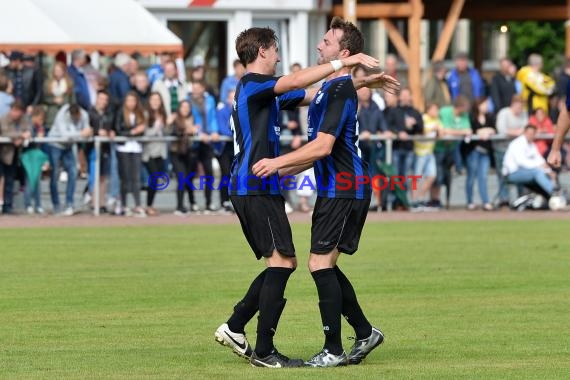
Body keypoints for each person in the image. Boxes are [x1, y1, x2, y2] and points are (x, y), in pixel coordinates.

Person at [213, 24, 381, 369]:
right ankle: (261, 347)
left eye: (326, 42)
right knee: (286, 263)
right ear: (262, 51)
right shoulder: (253, 84)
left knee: (296, 263)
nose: (279, 56)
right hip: (255, 185)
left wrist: (357, 81)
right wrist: (343, 67)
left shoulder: (264, 91)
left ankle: (238, 329)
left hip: (265, 184)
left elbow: (314, 94)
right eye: (275, 49)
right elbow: (297, 84)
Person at [251, 17, 399, 367]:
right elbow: (315, 154)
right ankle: (364, 332)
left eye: (327, 42)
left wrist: (275, 163)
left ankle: (333, 349)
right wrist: (279, 170)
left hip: (344, 187)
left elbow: (322, 148)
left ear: (344, 52)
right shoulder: (331, 89)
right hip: (341, 186)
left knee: (319, 263)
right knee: (325, 263)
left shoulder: (337, 90)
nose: (320, 46)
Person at [47, 103, 91, 215]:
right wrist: (81, 133)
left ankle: (69, 204)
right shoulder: (62, 115)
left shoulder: (84, 115)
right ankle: (56, 205)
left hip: (69, 146)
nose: (77, 119)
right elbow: (65, 135)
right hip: (55, 144)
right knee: (54, 175)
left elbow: (88, 130)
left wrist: (82, 134)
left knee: (73, 172)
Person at [113, 91, 146, 217]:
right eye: (129, 101)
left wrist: (139, 131)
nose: (131, 104)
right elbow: (118, 129)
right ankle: (124, 205)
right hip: (123, 148)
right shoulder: (121, 113)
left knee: (136, 178)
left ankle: (138, 204)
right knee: (125, 178)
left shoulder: (139, 114)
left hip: (136, 147)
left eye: (133, 101)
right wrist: (132, 132)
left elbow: (142, 130)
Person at [503, 124, 555, 199]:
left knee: (546, 173)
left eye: (532, 134)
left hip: (525, 172)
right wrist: (540, 167)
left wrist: (549, 171)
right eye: (528, 133)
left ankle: (549, 197)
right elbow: (521, 162)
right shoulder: (517, 143)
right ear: (524, 133)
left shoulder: (532, 145)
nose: (530, 135)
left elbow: (540, 160)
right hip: (511, 174)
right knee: (537, 172)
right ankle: (554, 194)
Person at [0, 101, 31, 214]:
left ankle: (7, 206)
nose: (15, 113)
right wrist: (20, 136)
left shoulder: (24, 119)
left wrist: (20, 138)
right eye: (14, 110)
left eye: (18, 111)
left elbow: (28, 131)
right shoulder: (3, 118)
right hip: (3, 152)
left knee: (10, 180)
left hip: (14, 155)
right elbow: (5, 132)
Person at [465, 98, 496, 210]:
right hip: (473, 150)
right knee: (471, 176)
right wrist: (481, 132)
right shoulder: (471, 117)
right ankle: (470, 201)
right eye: (484, 104)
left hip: (485, 152)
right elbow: (471, 131)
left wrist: (486, 131)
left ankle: (485, 201)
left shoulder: (490, 116)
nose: (486, 106)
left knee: (483, 176)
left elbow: (494, 129)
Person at [168, 100, 197, 215]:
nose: (185, 109)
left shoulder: (193, 119)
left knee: (189, 179)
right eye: (183, 106)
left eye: (187, 106)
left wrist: (194, 131)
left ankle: (192, 203)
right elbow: (172, 132)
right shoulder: (174, 119)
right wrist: (186, 130)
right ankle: (179, 206)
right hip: (177, 153)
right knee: (181, 178)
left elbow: (198, 130)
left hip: (190, 152)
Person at [411, 103, 441, 210]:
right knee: (416, 177)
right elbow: (419, 131)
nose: (436, 112)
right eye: (434, 109)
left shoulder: (436, 120)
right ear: (429, 109)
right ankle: (414, 201)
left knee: (432, 176)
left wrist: (438, 131)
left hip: (429, 152)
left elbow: (441, 133)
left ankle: (421, 199)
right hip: (420, 152)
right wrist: (432, 130)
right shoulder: (423, 118)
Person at [143, 92, 168, 216]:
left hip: (160, 152)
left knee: (156, 179)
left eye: (158, 99)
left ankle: (150, 205)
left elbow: (166, 133)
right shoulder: (146, 114)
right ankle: (148, 206)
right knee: (153, 177)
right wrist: (156, 127)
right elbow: (146, 134)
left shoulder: (163, 115)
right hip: (149, 152)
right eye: (153, 99)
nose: (155, 102)